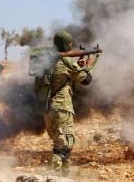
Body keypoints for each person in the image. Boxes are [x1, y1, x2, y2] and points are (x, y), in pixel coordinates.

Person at [44, 30, 97, 173]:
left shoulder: (47, 59)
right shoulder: (65, 60)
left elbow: (66, 75)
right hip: (61, 108)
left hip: (48, 109)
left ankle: (64, 176)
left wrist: (79, 65)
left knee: (63, 145)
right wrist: (89, 64)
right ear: (67, 45)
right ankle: (52, 176)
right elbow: (86, 80)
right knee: (62, 146)